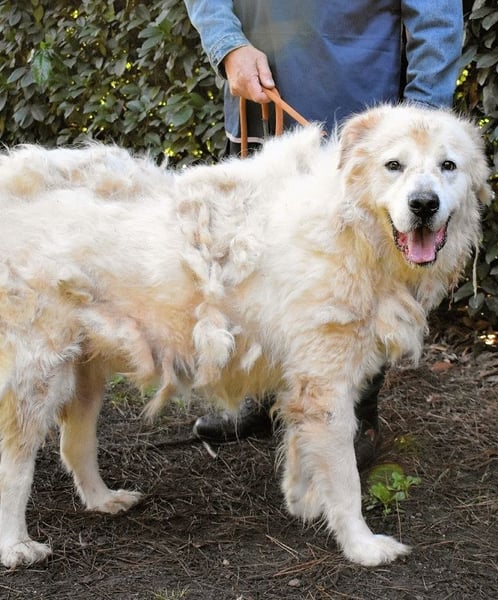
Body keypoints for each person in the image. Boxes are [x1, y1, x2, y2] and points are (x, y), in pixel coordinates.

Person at [183, 0, 464, 470]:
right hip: (258, 115)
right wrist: (228, 45)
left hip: (361, 132)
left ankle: (356, 409)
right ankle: (263, 392)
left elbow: (436, 18)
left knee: (363, 284)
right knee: (255, 264)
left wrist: (418, 133)